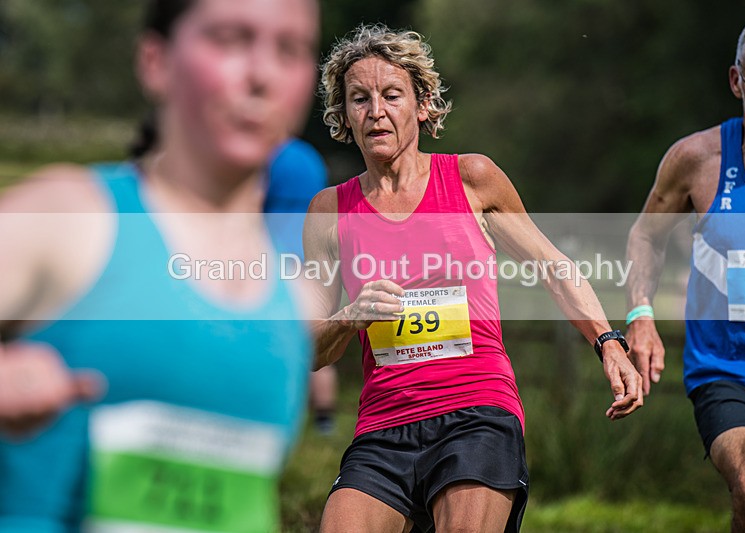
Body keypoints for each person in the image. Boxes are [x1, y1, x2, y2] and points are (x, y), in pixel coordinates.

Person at [304, 24, 643, 533]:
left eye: (392, 95)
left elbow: (554, 268)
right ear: (343, 114)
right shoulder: (329, 211)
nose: (376, 110)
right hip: (382, 427)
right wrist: (349, 316)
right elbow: (310, 352)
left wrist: (609, 342)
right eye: (359, 98)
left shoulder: (471, 179)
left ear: (421, 105)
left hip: (476, 411)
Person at [0, 0, 319, 530]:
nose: (262, 74)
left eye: (290, 49)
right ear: (156, 61)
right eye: (230, 39)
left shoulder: (296, 305)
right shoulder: (69, 219)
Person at [626, 12, 745, 533]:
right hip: (733, 375)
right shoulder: (697, 158)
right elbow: (644, 235)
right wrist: (640, 313)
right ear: (735, 81)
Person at [264, 138, 339, 434]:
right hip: (312, 251)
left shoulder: (267, 156)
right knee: (315, 334)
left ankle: (280, 412)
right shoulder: (310, 155)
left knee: (277, 338)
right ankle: (325, 421)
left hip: (276, 255)